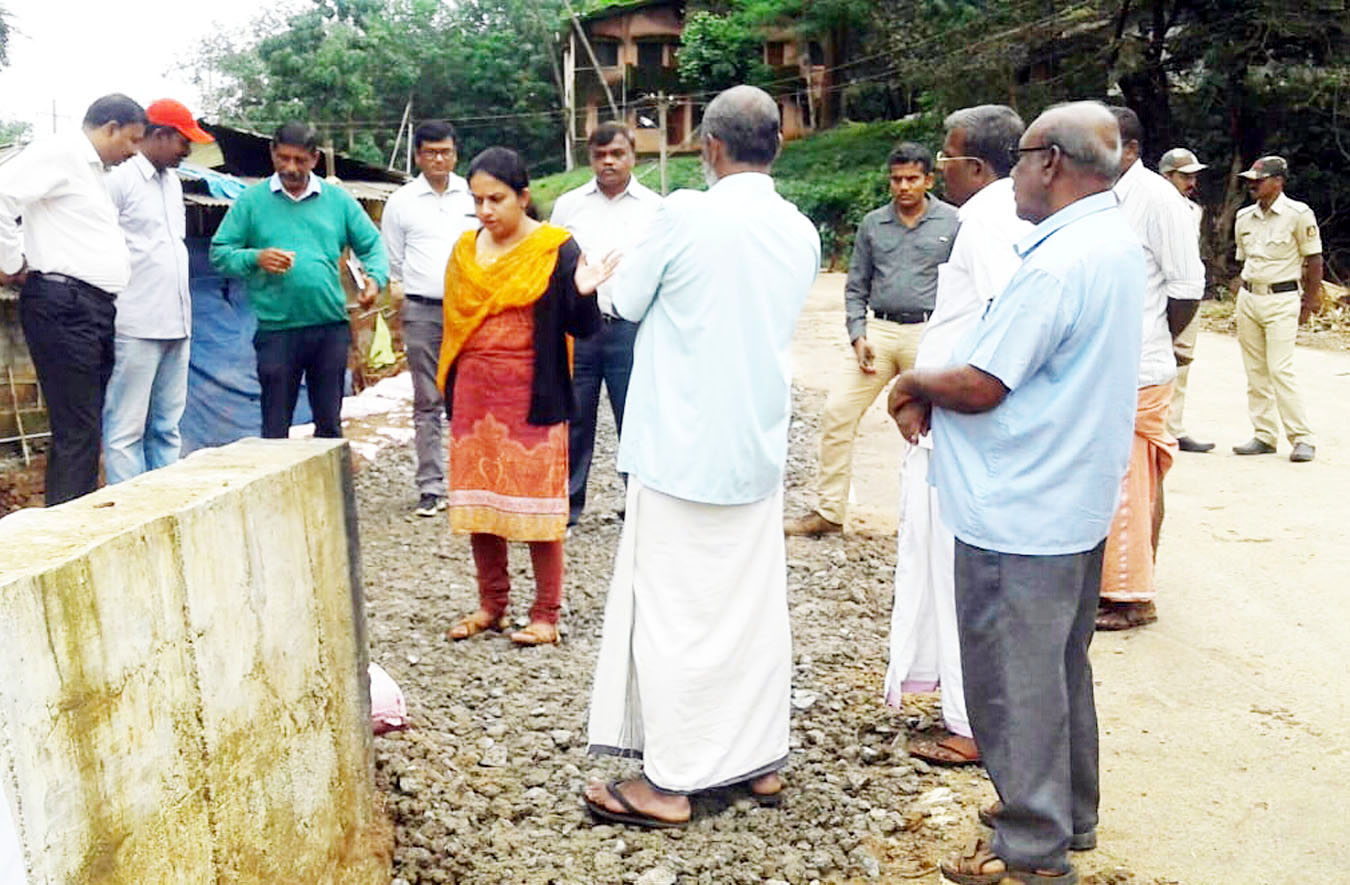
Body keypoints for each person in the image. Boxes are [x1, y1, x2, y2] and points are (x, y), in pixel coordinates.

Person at [888, 101, 1144, 884]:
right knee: (1059, 667)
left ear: (1051, 162)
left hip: (1020, 506)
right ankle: (1067, 812)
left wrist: (911, 379)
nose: (1014, 174)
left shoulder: (1058, 262)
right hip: (1070, 496)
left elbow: (983, 381)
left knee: (1013, 684)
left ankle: (1033, 851)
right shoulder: (1111, 240)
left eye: (1023, 156)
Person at [583, 86, 819, 828]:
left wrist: (598, 280)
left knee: (675, 614)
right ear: (774, 148)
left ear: (711, 148)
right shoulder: (799, 228)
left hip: (682, 446)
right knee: (751, 609)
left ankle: (672, 779)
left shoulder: (682, 213)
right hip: (755, 444)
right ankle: (759, 759)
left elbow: (620, 300)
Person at [885, 105, 1032, 768]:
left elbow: (1010, 320)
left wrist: (936, 389)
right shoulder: (1008, 212)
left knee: (956, 571)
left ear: (973, 164)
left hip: (968, 426)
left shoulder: (987, 219)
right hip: (965, 419)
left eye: (946, 155)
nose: (939, 167)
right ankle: (965, 705)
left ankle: (974, 723)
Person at [437, 147, 612, 647]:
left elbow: (584, 328)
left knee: (538, 506)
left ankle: (545, 614)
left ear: (524, 197)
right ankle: (491, 604)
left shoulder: (556, 249)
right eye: (478, 200)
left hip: (533, 390)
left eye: (497, 199)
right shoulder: (464, 251)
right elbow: (455, 325)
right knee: (481, 502)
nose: (486, 210)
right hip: (474, 390)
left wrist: (582, 291)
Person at [783, 142, 958, 537]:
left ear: (929, 180)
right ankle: (828, 511)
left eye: (912, 178)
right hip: (878, 333)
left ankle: (940, 518)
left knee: (939, 425)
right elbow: (855, 285)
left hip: (928, 333)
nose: (903, 187)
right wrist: (857, 335)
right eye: (896, 179)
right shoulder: (872, 224)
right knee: (837, 413)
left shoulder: (953, 223)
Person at [0, 94, 146, 505]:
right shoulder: (59, 152)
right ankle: (69, 526)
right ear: (110, 127)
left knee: (85, 425)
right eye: (132, 140)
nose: (133, 152)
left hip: (91, 307)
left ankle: (75, 514)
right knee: (77, 427)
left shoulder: (92, 173)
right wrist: (11, 260)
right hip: (64, 303)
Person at [1095, 107, 1204, 632]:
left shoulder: (1160, 201)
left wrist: (1152, 336)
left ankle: (1134, 596)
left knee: (1134, 482)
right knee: (1119, 483)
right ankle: (1122, 584)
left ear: (1131, 150)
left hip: (1141, 367)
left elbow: (1186, 289)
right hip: (1103, 368)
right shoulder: (1096, 194)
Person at [210, 122, 389, 440]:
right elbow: (220, 253)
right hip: (277, 331)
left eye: (300, 160)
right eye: (283, 159)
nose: (290, 168)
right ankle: (277, 487)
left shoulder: (337, 200)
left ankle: (331, 489)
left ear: (315, 159)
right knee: (276, 428)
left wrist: (375, 279)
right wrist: (256, 258)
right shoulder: (252, 202)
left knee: (330, 425)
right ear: (272, 154)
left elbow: (372, 245)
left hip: (329, 328)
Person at [550, 121, 661, 527]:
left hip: (631, 327)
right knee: (576, 416)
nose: (609, 161)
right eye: (600, 155)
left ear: (633, 154)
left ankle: (640, 505)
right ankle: (568, 503)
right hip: (579, 329)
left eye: (617, 153)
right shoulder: (568, 206)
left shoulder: (655, 208)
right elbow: (554, 265)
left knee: (634, 417)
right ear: (590, 158)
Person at [101, 99, 215, 484]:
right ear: (161, 135)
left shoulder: (171, 183)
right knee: (125, 429)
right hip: (134, 322)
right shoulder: (119, 179)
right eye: (184, 142)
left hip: (176, 321)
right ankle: (130, 516)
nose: (187, 151)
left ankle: (164, 504)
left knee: (167, 426)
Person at [382, 120, 477, 516]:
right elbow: (394, 262)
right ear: (417, 155)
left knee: (471, 398)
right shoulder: (401, 202)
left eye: (446, 152)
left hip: (470, 310)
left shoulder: (473, 196)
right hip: (422, 310)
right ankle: (431, 486)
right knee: (426, 400)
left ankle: (474, 483)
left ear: (456, 154)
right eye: (430, 152)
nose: (439, 159)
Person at [1231, 155, 1320, 463]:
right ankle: (1264, 435)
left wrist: (1309, 302)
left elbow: (1314, 259)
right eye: (1251, 180)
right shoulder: (1244, 217)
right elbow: (1244, 259)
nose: (1253, 185)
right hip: (1249, 297)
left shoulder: (1298, 214)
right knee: (1255, 370)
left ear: (1278, 181)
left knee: (1280, 369)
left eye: (1260, 179)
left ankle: (1302, 437)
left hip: (1282, 298)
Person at [1157, 147, 1215, 453]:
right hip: (1156, 292)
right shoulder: (1151, 205)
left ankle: (1173, 427)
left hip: (1185, 292)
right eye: (1184, 176)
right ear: (1167, 177)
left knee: (1181, 360)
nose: (1191, 182)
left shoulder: (1193, 210)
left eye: (1193, 176)